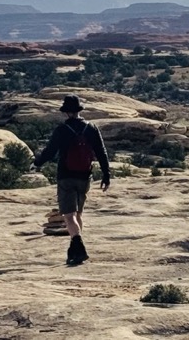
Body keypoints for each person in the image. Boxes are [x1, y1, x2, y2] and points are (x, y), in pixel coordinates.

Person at [34, 94, 111, 266]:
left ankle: (79, 246)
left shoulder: (62, 130)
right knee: (78, 215)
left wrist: (37, 163)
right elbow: (101, 151)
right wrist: (106, 174)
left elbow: (50, 152)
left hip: (66, 176)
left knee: (69, 216)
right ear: (78, 110)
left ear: (66, 112)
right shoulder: (91, 128)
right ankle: (74, 250)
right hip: (84, 176)